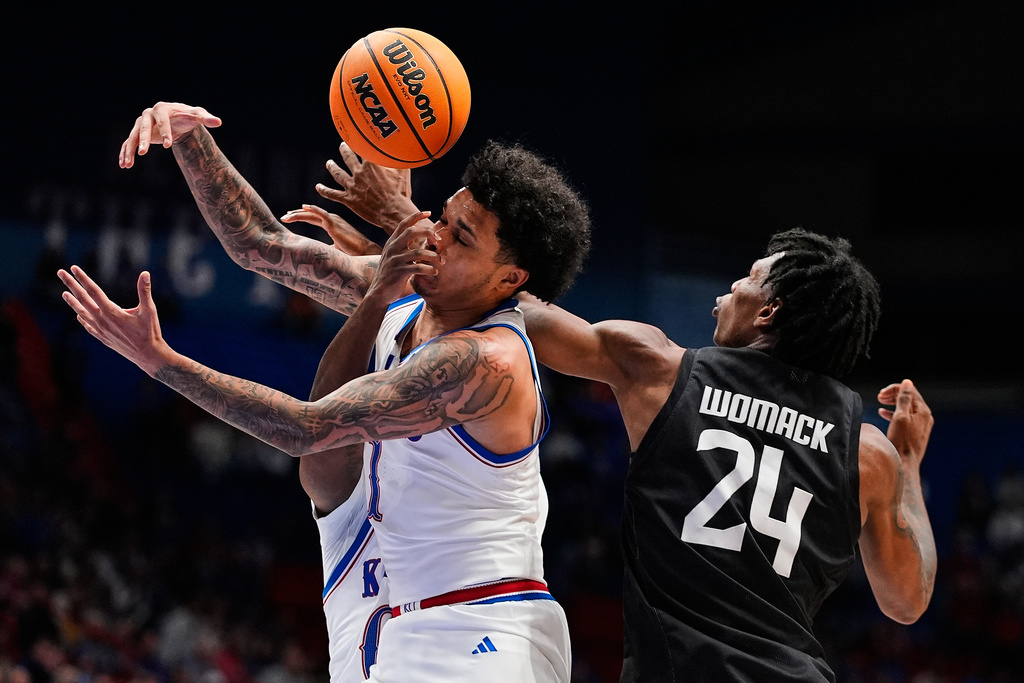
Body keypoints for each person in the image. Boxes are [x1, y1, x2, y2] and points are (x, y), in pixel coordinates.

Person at [305, 166, 938, 682]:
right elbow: (905, 601)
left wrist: (407, 223)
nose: (726, 292)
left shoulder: (661, 370)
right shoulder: (867, 454)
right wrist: (907, 465)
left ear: (768, 314)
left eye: (746, 282)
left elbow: (517, 307)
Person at [62, 102, 592, 683]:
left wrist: (160, 362)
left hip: (485, 630)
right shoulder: (409, 292)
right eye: (443, 218)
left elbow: (305, 430)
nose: (435, 237)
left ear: (511, 279)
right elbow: (259, 244)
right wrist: (189, 140)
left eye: (460, 238)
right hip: (411, 620)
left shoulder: (485, 361)